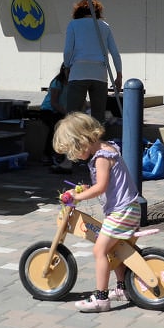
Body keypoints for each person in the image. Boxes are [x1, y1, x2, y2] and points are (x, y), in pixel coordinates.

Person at [53, 112, 140, 313]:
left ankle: (101, 299)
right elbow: (105, 184)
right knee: (116, 249)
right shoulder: (107, 148)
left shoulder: (101, 157)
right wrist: (83, 188)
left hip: (121, 212)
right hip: (128, 209)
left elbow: (100, 187)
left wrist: (76, 197)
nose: (73, 157)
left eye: (73, 151)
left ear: (81, 141)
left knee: (99, 250)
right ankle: (122, 288)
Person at [63, 0, 122, 125]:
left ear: (78, 11)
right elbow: (115, 53)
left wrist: (67, 66)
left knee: (72, 116)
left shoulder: (73, 25)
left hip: (78, 71)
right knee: (98, 118)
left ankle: (73, 143)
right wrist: (119, 74)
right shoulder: (104, 26)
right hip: (100, 73)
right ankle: (96, 143)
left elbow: (68, 50)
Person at [40, 63, 69, 168]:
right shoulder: (57, 82)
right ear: (64, 70)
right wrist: (67, 113)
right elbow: (54, 103)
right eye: (68, 70)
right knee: (56, 127)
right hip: (48, 110)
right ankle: (47, 154)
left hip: (61, 111)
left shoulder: (73, 84)